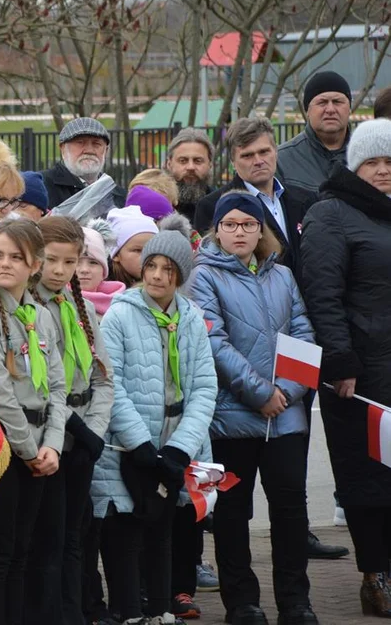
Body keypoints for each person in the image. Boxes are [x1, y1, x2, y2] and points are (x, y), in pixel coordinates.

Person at [189, 192, 319, 625]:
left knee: (289, 513)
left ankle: (296, 603)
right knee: (232, 515)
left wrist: (286, 391)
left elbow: (303, 332)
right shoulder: (203, 276)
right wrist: (258, 392)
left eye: (248, 224)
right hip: (233, 419)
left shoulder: (282, 275)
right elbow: (214, 342)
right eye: (231, 224)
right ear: (218, 230)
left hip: (285, 417)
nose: (240, 231)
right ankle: (242, 603)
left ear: (261, 229)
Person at [93, 229, 217, 625]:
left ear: (181, 275)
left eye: (168, 269)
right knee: (127, 529)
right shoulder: (120, 313)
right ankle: (129, 611)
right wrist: (141, 444)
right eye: (151, 266)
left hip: (173, 442)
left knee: (164, 529)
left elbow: (203, 387)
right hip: (128, 447)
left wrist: (181, 448)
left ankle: (161, 609)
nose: (158, 276)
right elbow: (113, 384)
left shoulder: (191, 318)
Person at [300, 119, 391, 618]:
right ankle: (373, 575)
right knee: (366, 476)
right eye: (373, 163)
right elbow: (321, 293)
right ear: (356, 166)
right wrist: (339, 361)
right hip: (359, 374)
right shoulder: (330, 213)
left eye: (390, 163)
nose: (383, 171)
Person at [0, 218, 67, 625]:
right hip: (3, 446)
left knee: (22, 550)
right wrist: (30, 450)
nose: (5, 264)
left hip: (40, 444)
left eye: (16, 257)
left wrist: (53, 445)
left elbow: (58, 388)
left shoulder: (40, 315)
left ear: (35, 265)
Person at [26, 216, 115, 625]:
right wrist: (74, 429)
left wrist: (94, 431)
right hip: (49, 437)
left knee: (77, 534)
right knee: (50, 538)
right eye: (52, 261)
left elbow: (102, 376)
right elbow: (38, 385)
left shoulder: (77, 307)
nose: (61, 271)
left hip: (83, 437)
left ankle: (75, 610)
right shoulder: (29, 309)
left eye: (71, 262)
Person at [194, 117, 316, 275]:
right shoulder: (213, 206)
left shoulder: (306, 199)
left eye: (264, 152)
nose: (258, 161)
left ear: (276, 152)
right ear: (233, 162)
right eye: (247, 156)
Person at [276, 71, 353, 194]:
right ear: (307, 110)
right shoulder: (281, 161)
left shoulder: (368, 157)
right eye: (322, 103)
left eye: (337, 102)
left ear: (349, 108)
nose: (330, 109)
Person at [42, 118, 126, 210]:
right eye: (80, 143)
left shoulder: (119, 196)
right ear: (63, 149)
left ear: (106, 150)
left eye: (96, 144)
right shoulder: (42, 186)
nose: (89, 150)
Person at [163, 129, 215, 222]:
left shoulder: (220, 205)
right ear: (169, 164)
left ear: (210, 164)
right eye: (183, 160)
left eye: (198, 161)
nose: (191, 167)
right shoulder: (155, 205)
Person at [78, 220, 125, 317]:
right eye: (77, 262)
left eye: (93, 262)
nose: (84, 270)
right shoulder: (58, 303)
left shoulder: (123, 306)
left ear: (104, 271)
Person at [106, 205, 158, 288]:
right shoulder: (106, 293)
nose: (147, 256)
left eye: (153, 249)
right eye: (137, 250)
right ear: (116, 255)